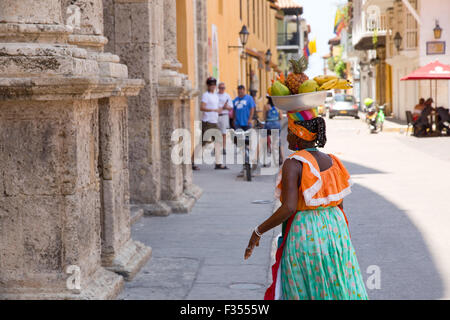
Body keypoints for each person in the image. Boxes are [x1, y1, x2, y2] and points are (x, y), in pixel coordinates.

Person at [244, 108, 368, 300]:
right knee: (335, 285)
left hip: (306, 233)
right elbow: (339, 205)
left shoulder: (293, 164)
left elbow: (289, 207)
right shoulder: (332, 161)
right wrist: (341, 238)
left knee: (305, 287)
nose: (287, 138)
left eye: (290, 133)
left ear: (299, 136)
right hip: (336, 232)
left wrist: (258, 231)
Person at [199, 77, 228, 170]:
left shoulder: (215, 96)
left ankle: (218, 163)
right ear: (208, 85)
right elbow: (202, 107)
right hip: (207, 121)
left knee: (218, 141)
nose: (213, 86)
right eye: (211, 84)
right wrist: (213, 110)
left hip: (214, 121)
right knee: (204, 143)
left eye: (214, 84)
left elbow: (216, 108)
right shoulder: (205, 95)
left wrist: (219, 110)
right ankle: (191, 161)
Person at [264, 96, 284, 164]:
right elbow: (281, 117)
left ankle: (265, 158)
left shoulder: (266, 106)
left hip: (268, 125)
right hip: (276, 125)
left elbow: (264, 118)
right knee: (279, 142)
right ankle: (282, 158)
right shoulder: (278, 107)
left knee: (265, 141)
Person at [217, 82, 233, 154]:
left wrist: (225, 107)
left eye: (223, 88)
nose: (222, 89)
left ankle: (224, 148)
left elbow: (230, 107)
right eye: (220, 88)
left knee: (223, 133)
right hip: (216, 116)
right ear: (218, 88)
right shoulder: (215, 95)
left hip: (224, 116)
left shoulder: (227, 96)